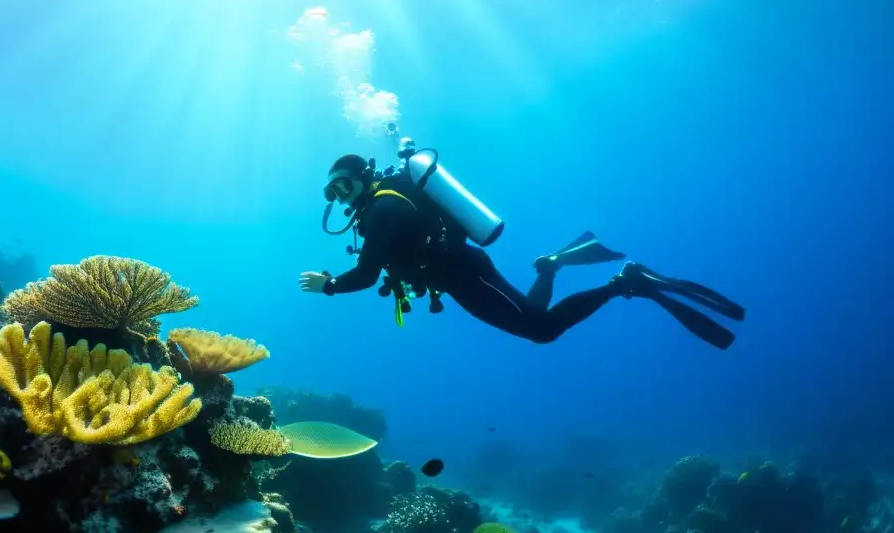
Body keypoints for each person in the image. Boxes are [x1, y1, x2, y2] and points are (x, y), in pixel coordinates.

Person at [299, 153, 745, 348]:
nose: (340, 197)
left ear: (363, 177)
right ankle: (550, 265)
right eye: (332, 191)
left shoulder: (381, 210)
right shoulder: (387, 201)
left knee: (542, 330)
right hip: (463, 271)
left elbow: (367, 275)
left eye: (343, 185)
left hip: (462, 276)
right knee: (534, 318)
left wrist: (329, 286)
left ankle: (622, 283)